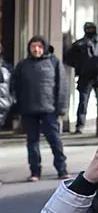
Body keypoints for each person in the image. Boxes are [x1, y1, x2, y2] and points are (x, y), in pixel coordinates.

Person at [15, 36, 67, 181]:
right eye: (33, 47)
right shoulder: (22, 65)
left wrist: (61, 108)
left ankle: (62, 169)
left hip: (49, 110)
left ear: (44, 47)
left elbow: (62, 86)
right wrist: (16, 107)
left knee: (55, 140)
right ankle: (35, 172)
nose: (36, 49)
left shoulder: (53, 62)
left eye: (39, 46)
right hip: (28, 110)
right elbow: (15, 87)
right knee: (32, 142)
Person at [63, 22, 98, 136]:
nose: (91, 30)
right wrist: (80, 66)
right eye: (88, 28)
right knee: (83, 102)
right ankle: (80, 126)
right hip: (85, 76)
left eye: (92, 28)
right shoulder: (79, 44)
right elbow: (69, 58)